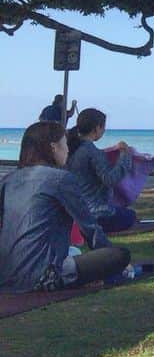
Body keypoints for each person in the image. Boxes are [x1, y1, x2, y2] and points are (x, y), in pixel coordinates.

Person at [1, 122, 130, 293]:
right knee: (119, 255)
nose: (68, 150)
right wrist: (113, 259)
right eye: (64, 144)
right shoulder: (60, 179)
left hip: (6, 273)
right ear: (53, 147)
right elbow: (89, 227)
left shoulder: (9, 179)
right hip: (42, 276)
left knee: (73, 250)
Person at [65, 108, 136, 233]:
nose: (103, 131)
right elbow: (110, 179)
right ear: (97, 128)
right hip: (96, 214)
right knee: (130, 215)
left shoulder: (70, 148)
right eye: (103, 128)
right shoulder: (91, 151)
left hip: (74, 212)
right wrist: (124, 155)